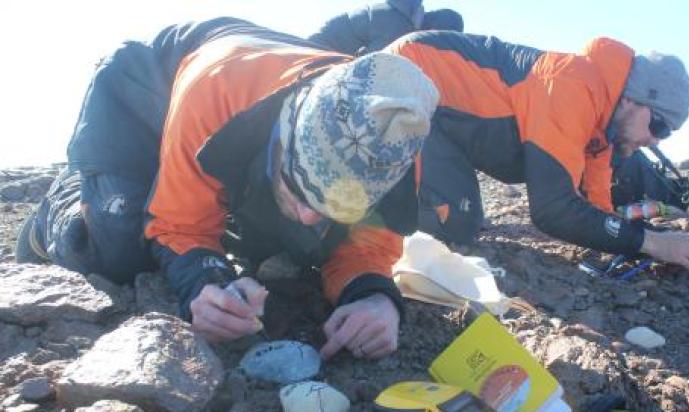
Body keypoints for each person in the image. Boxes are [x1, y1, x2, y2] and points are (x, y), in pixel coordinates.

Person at [16, 17, 439, 358]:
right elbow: (183, 226)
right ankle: (61, 207)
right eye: (300, 185)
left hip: (237, 123)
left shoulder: (392, 138)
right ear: (282, 137)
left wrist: (373, 298)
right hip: (146, 95)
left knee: (300, 244)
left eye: (337, 204)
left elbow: (368, 249)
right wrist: (204, 285)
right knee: (120, 245)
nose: (312, 216)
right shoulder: (220, 87)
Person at [389, 31, 689, 272]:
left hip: (446, 121)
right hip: (410, 82)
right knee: (456, 223)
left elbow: (596, 212)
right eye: (659, 126)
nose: (656, 142)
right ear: (634, 100)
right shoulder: (574, 86)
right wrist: (653, 243)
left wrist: (656, 239)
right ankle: (367, 222)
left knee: (462, 219)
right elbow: (552, 210)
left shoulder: (602, 128)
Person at [308, 0, 463, 56]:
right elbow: (378, 66)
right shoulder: (398, 25)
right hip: (315, 53)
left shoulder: (401, 13)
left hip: (323, 50)